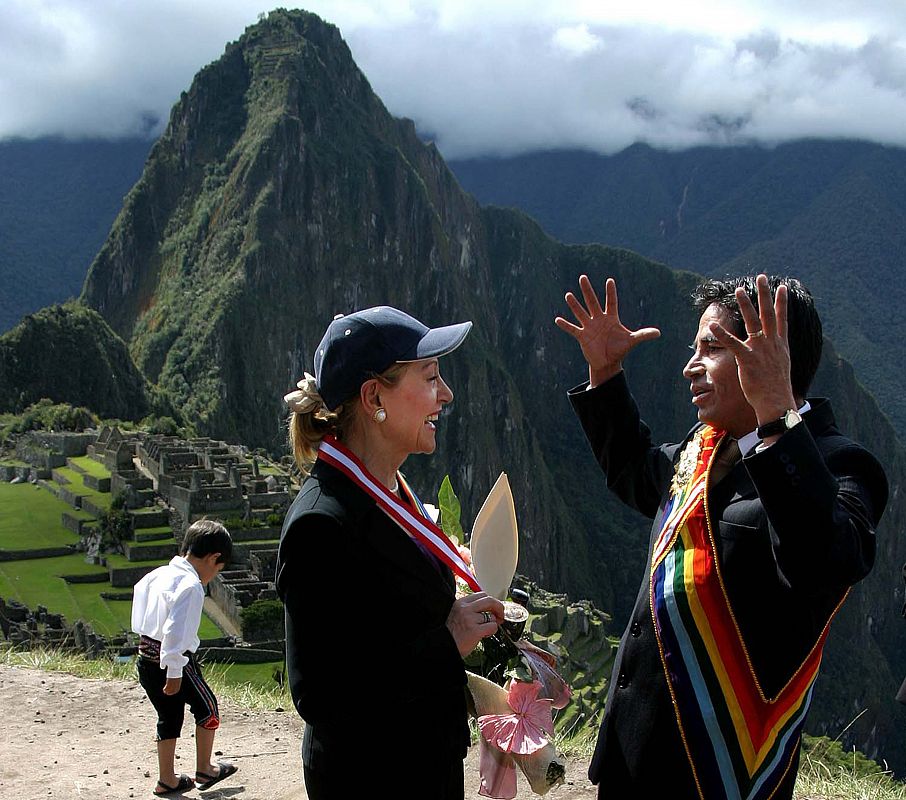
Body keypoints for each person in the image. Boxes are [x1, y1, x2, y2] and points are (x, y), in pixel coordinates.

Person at [555, 273, 888, 800]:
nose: (690, 366)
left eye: (709, 348)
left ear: (768, 351)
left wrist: (777, 417)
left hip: (720, 773)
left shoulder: (839, 464)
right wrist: (605, 375)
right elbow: (641, 476)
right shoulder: (707, 448)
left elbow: (824, 564)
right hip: (631, 760)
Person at [275, 306, 506, 800]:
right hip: (370, 778)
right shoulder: (322, 523)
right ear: (374, 396)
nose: (445, 395)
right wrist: (448, 640)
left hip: (426, 765)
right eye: (430, 378)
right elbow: (321, 695)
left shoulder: (390, 493)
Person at [131, 519, 238, 796]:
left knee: (168, 716)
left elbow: (139, 597)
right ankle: (206, 768)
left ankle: (167, 778)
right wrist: (175, 671)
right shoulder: (191, 586)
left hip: (145, 656)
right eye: (218, 569)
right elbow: (176, 633)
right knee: (208, 708)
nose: (213, 576)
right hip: (175, 662)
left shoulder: (158, 574)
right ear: (214, 558)